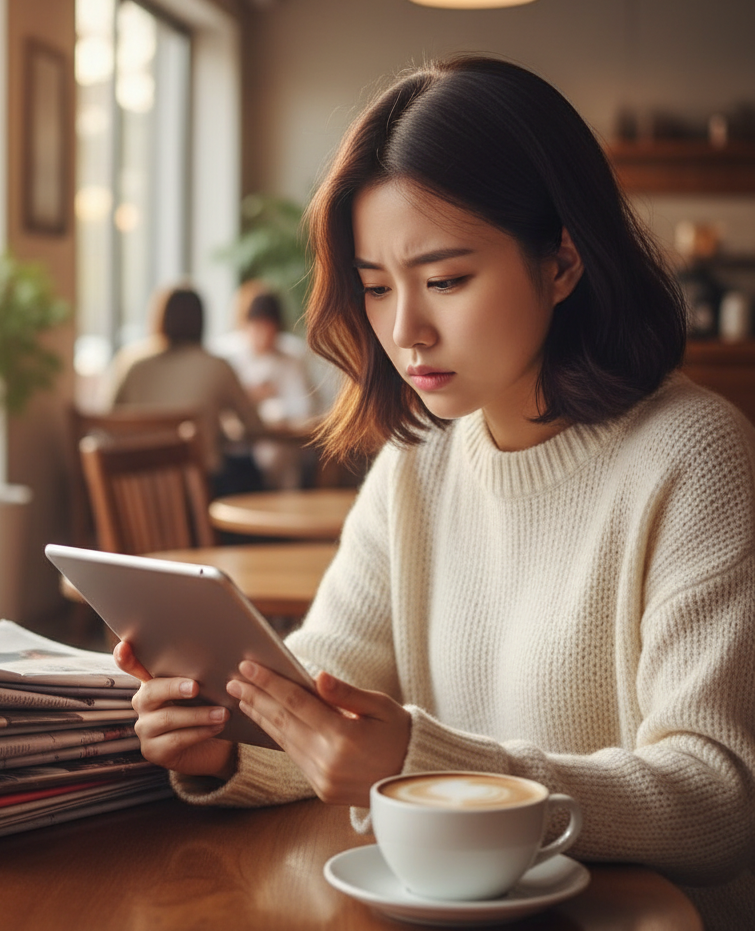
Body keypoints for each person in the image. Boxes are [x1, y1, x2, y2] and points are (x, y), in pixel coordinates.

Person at [114, 57, 755, 928]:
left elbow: (717, 799)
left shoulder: (695, 457)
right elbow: (329, 692)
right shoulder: (420, 460)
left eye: (446, 280)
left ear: (562, 261)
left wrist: (419, 765)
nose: (405, 331)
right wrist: (221, 739)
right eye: (376, 287)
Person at [110, 285, 266, 497]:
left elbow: (109, 424)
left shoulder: (131, 364)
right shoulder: (217, 367)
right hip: (198, 491)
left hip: (136, 491)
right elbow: (254, 427)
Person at [218, 291, 317, 489]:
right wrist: (252, 397)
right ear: (246, 326)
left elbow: (305, 408)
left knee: (277, 457)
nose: (263, 337)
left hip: (280, 444)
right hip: (236, 444)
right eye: (257, 329)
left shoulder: (292, 356)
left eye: (268, 330)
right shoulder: (226, 356)